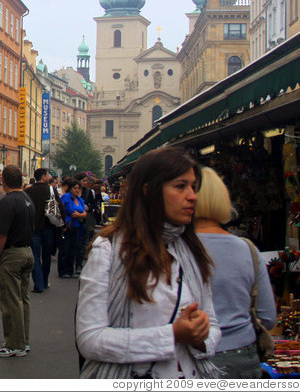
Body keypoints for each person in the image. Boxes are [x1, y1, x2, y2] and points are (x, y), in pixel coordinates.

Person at [76, 146, 221, 379]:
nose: (192, 196)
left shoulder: (192, 251)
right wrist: (172, 335)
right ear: (148, 191)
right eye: (180, 186)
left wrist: (200, 335)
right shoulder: (109, 251)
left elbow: (213, 326)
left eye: (193, 187)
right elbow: (91, 340)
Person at [195, 166, 276, 378]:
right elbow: (267, 317)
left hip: (191, 358)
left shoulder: (173, 249)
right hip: (242, 358)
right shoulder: (248, 249)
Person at [0, 164, 35, 357]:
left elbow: (1, 233)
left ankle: (13, 344)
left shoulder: (8, 202)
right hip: (27, 251)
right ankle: (23, 340)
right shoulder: (27, 199)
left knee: (10, 300)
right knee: (23, 299)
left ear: (4, 181)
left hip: (11, 254)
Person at [25, 168, 63, 292]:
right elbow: (59, 205)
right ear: (43, 177)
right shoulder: (50, 189)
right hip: (48, 227)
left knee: (35, 256)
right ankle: (45, 281)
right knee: (46, 255)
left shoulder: (28, 191)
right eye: (47, 175)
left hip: (34, 228)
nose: (49, 177)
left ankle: (38, 284)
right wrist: (63, 224)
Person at [58, 178, 85, 278]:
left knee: (73, 249)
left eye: (78, 188)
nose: (77, 190)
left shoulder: (79, 199)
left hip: (77, 226)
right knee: (65, 249)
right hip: (67, 226)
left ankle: (70, 270)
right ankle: (63, 270)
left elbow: (84, 211)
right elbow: (67, 211)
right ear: (70, 189)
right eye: (75, 188)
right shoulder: (66, 197)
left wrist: (81, 215)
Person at [74, 171, 98, 270]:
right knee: (75, 243)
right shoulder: (73, 191)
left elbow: (94, 205)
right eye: (84, 181)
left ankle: (79, 264)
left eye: (86, 181)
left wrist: (89, 207)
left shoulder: (88, 192)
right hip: (74, 219)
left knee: (83, 242)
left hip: (85, 220)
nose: (85, 182)